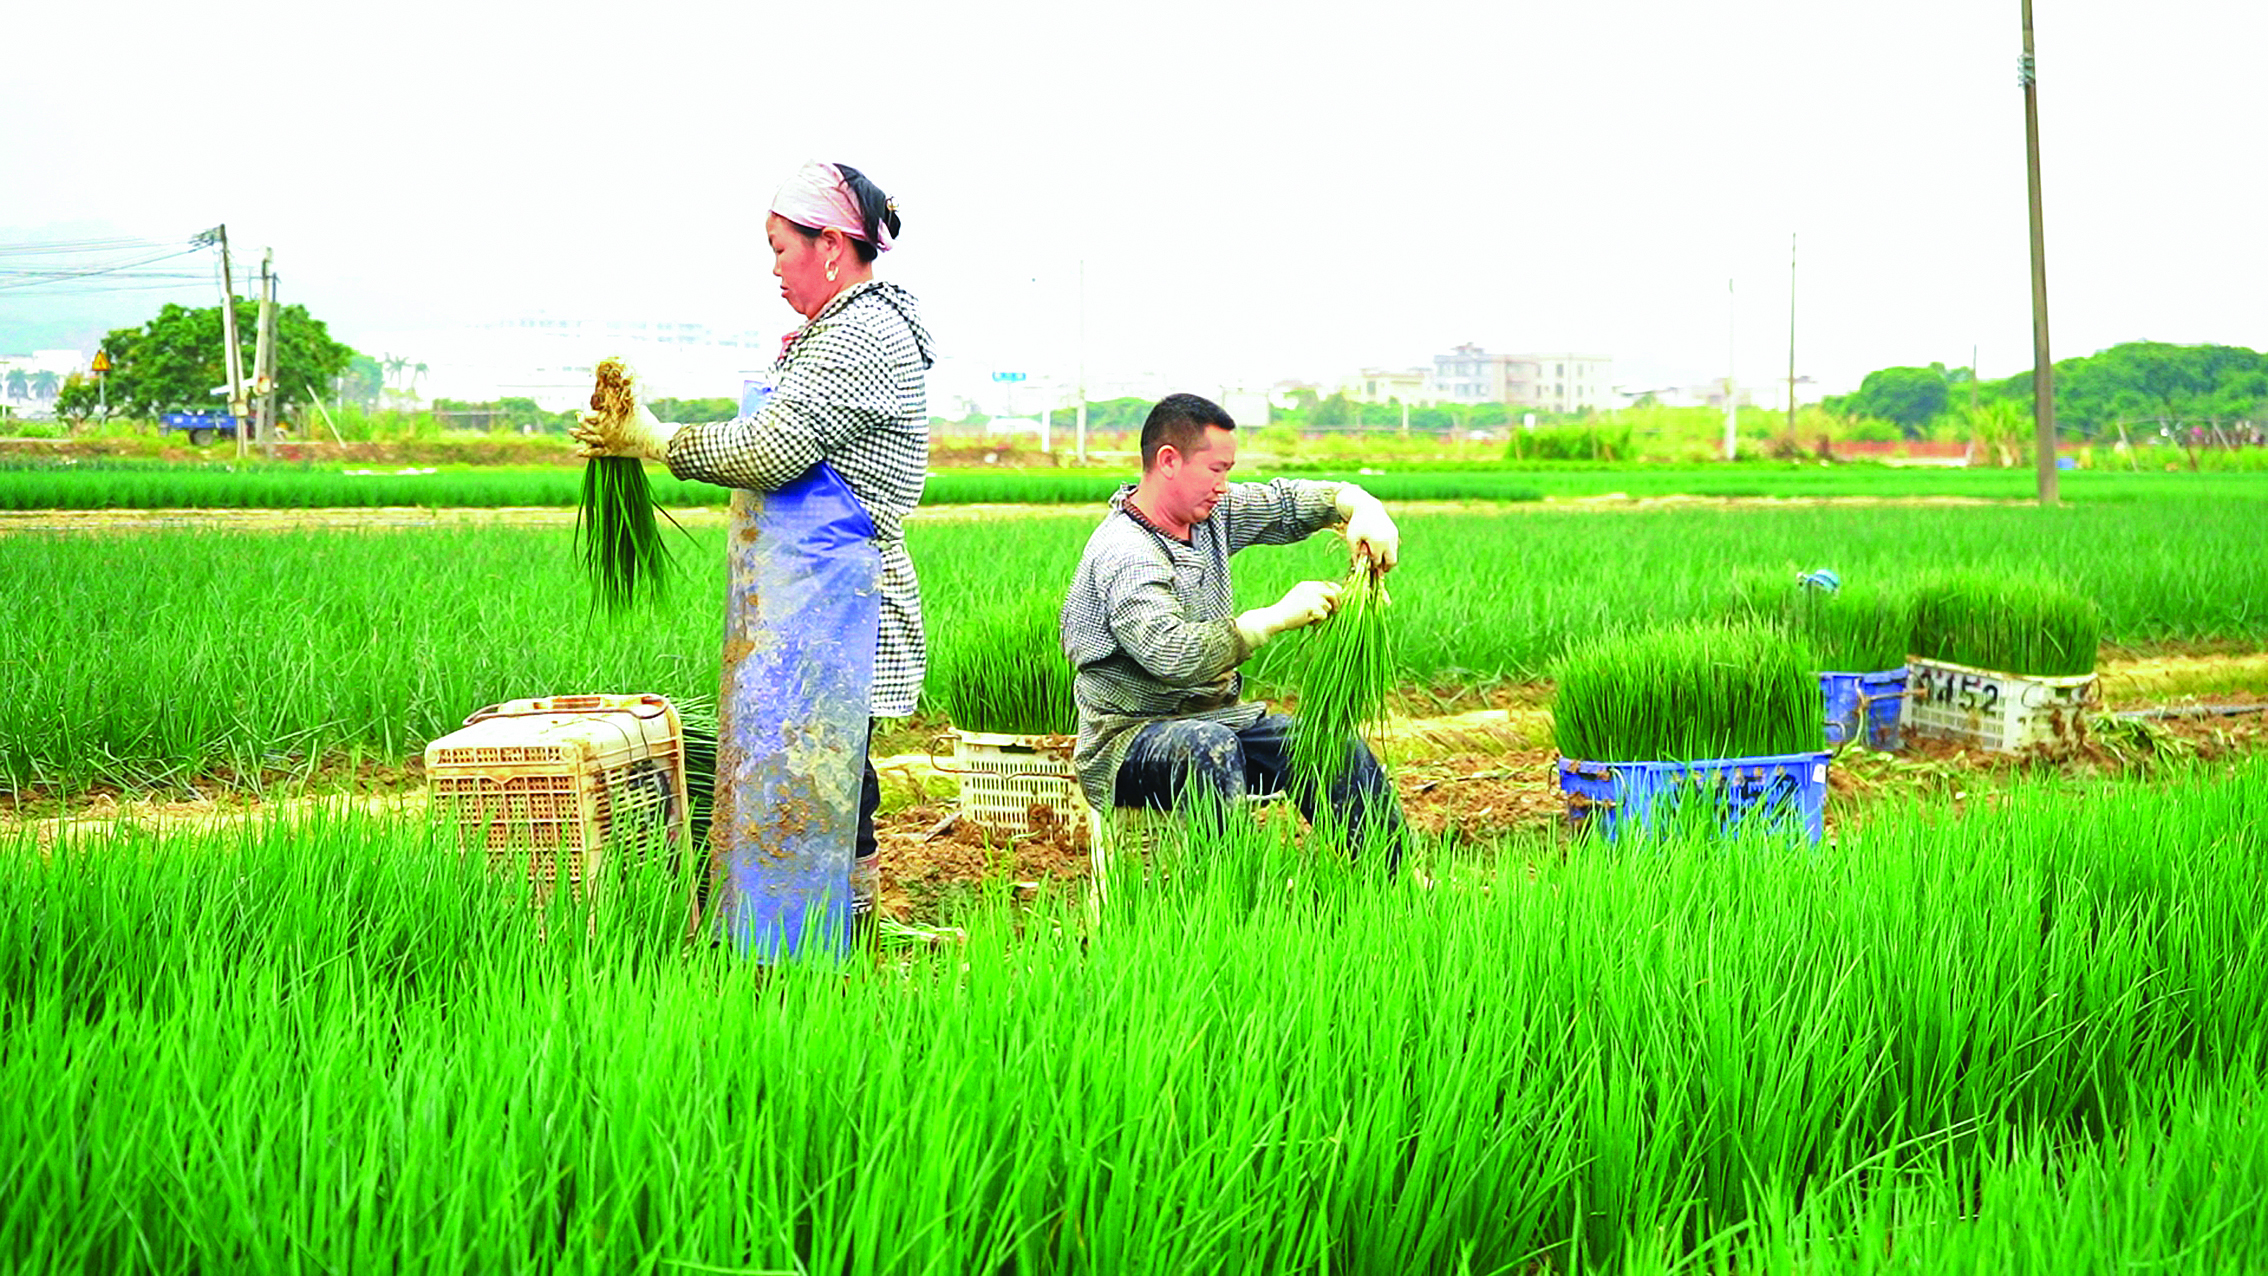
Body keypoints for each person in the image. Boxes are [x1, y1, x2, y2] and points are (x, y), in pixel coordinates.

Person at [572, 160, 932, 953]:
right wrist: (653, 437)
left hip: (839, 608)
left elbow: (770, 449)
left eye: (780, 248)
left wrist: (656, 439)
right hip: (801, 607)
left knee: (830, 781)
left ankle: (830, 947)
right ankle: (814, 942)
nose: (773, 267)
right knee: (816, 778)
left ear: (830, 245)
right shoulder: (829, 335)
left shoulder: (865, 336)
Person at [1059, 392, 1407, 863]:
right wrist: (1273, 619)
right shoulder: (1127, 551)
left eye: (1228, 471)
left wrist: (1359, 505)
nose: (1224, 485)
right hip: (1128, 740)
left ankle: (1395, 879)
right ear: (1169, 461)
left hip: (1220, 720)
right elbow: (1169, 654)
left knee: (1329, 747)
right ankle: (1226, 890)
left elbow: (1285, 503)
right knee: (1209, 749)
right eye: (1216, 470)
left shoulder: (1209, 516)